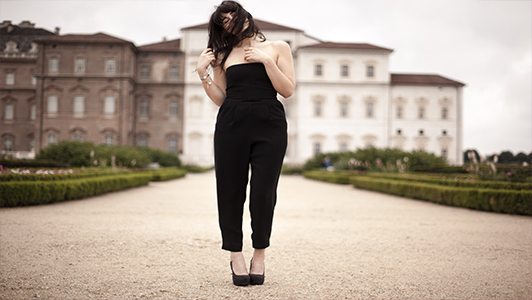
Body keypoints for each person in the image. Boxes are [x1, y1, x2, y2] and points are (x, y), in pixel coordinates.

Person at [196, 0, 295, 286]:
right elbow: (221, 98)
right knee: (229, 190)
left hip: (270, 121)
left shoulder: (278, 48)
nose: (229, 22)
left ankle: (259, 254)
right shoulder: (223, 54)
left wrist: (265, 61)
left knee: (264, 192)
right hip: (232, 121)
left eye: (232, 16)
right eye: (223, 21)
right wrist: (204, 72)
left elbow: (287, 90)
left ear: (245, 16)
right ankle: (235, 255)